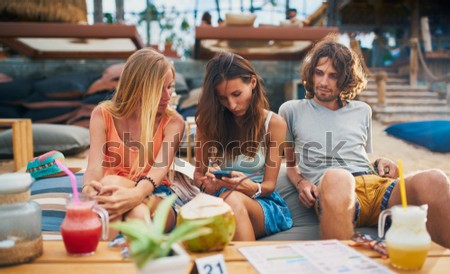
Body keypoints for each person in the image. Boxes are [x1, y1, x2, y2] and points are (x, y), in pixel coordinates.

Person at [279, 36, 450, 248]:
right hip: (335, 187)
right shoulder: (291, 110)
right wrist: (302, 183)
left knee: (435, 179)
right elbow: (290, 164)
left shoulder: (363, 110)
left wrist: (380, 162)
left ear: (345, 79)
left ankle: (443, 268)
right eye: (319, 73)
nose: (323, 82)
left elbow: (359, 157)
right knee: (338, 176)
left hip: (376, 187)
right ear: (311, 72)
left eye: (333, 76)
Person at [82, 48, 185, 231]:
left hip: (157, 195)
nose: (167, 96)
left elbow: (157, 173)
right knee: (133, 210)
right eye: (158, 89)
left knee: (111, 186)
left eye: (169, 86)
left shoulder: (174, 122)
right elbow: (94, 168)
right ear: (137, 87)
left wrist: (135, 195)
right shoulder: (102, 115)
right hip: (110, 193)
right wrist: (88, 189)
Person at [194, 51, 292, 241]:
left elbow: (269, 186)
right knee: (225, 202)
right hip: (219, 198)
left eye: (237, 94)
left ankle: (246, 267)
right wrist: (208, 184)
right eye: (222, 98)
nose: (232, 104)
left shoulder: (274, 124)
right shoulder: (206, 123)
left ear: (253, 83)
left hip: (260, 202)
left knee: (230, 201)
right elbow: (198, 175)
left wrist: (251, 187)